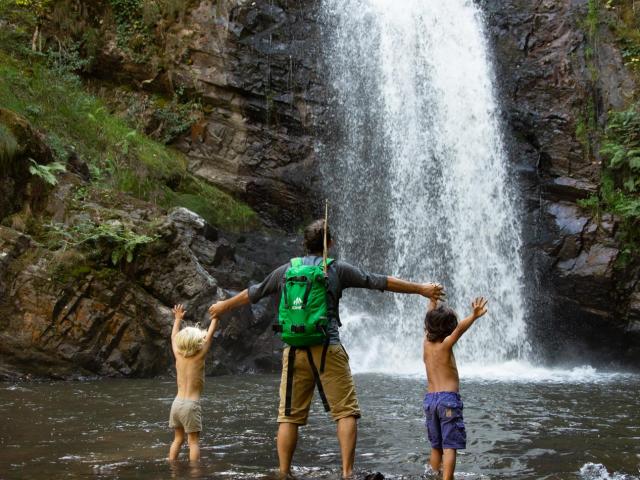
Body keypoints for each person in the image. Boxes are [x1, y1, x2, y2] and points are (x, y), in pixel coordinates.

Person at [208, 219, 444, 478]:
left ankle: (284, 473)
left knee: (288, 417)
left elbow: (254, 293)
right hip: (328, 347)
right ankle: (346, 473)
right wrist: (421, 289)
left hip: (294, 349)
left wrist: (222, 306)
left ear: (304, 244)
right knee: (346, 412)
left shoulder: (286, 271)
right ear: (328, 244)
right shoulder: (337, 269)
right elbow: (378, 281)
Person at [422, 296, 488, 480]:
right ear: (448, 330)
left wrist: (432, 300)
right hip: (447, 401)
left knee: (436, 444)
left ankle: (434, 475)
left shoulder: (426, 344)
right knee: (449, 444)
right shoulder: (446, 345)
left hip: (430, 401)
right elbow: (460, 330)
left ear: (428, 326)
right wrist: (473, 316)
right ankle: (447, 478)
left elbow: (429, 318)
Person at [168, 304, 219, 462]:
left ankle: (172, 464)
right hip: (191, 405)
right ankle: (194, 473)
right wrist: (216, 318)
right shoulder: (199, 356)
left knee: (177, 439)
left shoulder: (178, 355)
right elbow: (209, 337)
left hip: (176, 403)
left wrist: (177, 319)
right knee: (193, 442)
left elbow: (173, 337)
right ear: (198, 342)